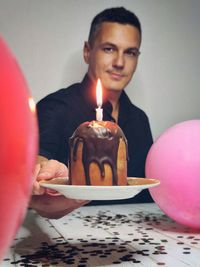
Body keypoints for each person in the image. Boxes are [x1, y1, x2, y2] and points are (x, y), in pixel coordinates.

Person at [29, 6, 153, 219]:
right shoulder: (55, 107)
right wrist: (41, 172)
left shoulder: (140, 120)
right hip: (68, 238)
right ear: (88, 51)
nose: (120, 62)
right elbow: (36, 172)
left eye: (130, 52)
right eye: (109, 48)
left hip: (139, 239)